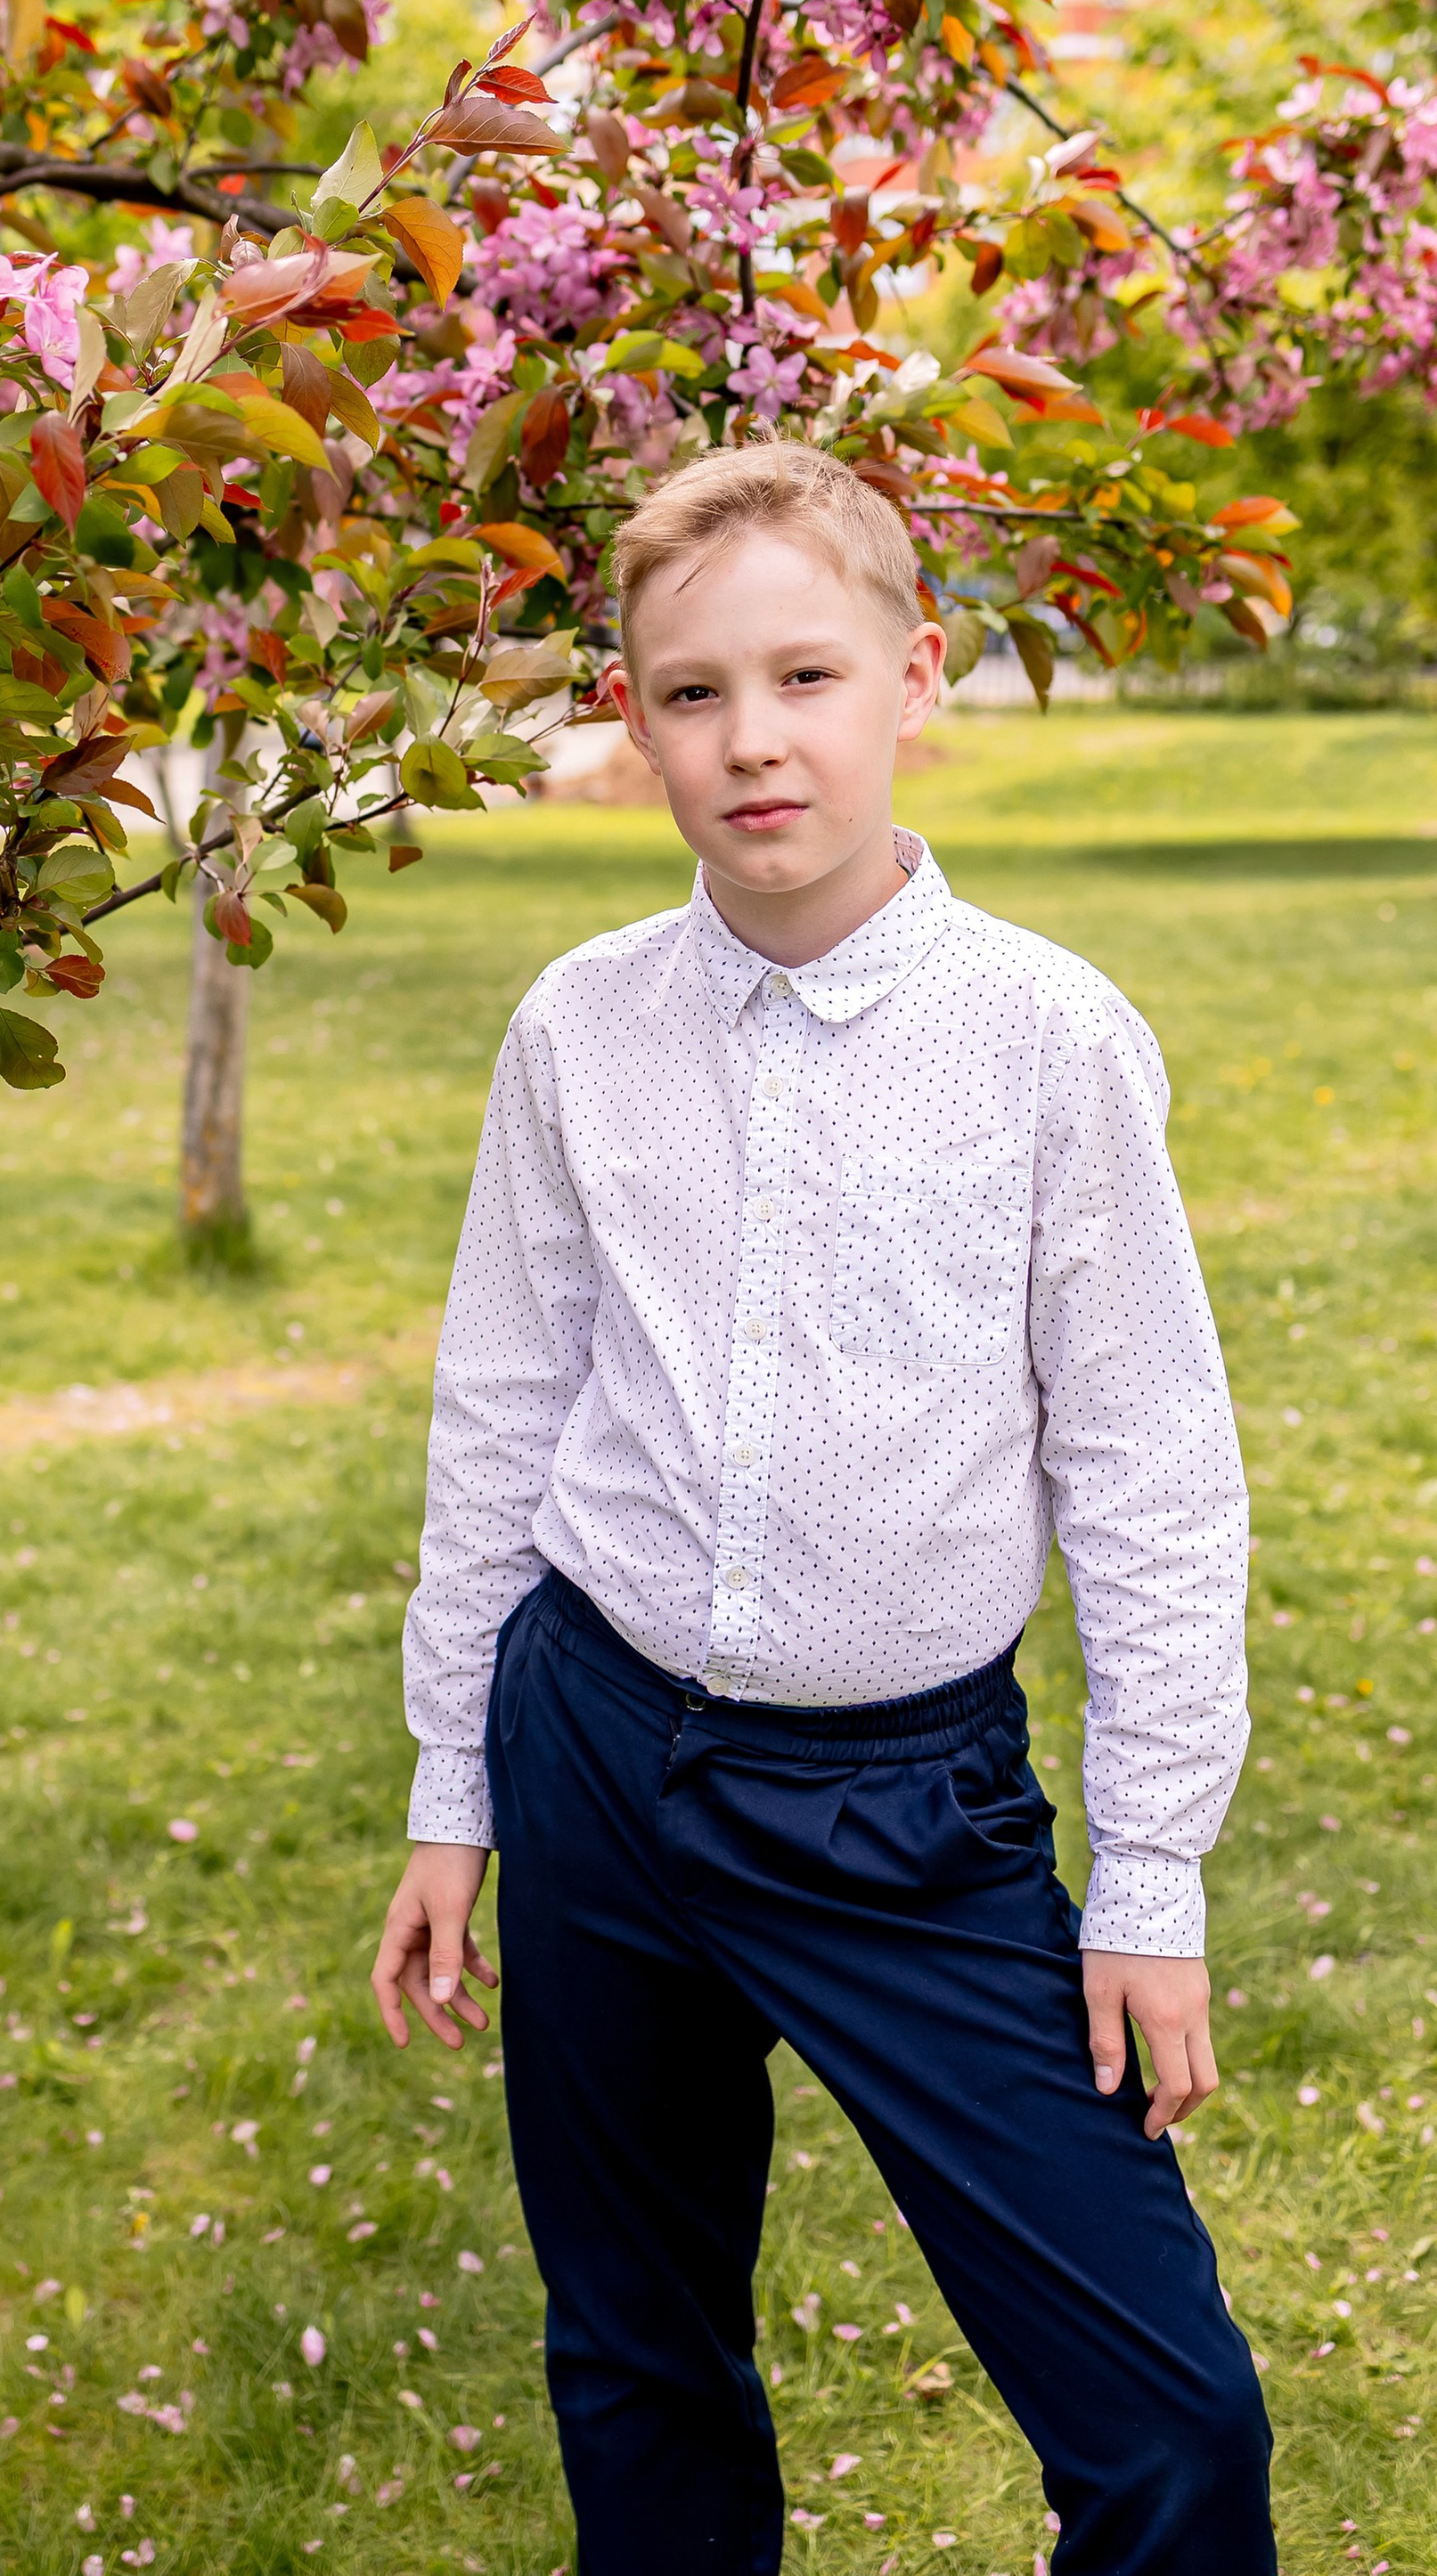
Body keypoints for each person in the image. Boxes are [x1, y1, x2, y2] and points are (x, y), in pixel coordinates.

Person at [368, 443, 1272, 2572]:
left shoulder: (1043, 1038)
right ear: (627, 714)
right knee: (638, 2360)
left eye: (802, 676)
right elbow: (499, 1404)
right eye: (688, 694)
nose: (749, 740)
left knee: (1171, 2429)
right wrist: (449, 1783)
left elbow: (1147, 1465)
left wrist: (1147, 1876)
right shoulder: (576, 1028)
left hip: (902, 1814)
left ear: (910, 679)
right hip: (592, 1754)